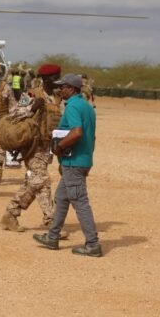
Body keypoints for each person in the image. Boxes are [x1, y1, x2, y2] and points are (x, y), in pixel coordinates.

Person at [33, 73, 102, 257]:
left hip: (73, 162)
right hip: (82, 160)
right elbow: (91, 137)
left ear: (71, 89)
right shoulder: (87, 107)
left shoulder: (72, 107)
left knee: (80, 202)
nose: (59, 89)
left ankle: (93, 244)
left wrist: (59, 147)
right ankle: (52, 236)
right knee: (62, 197)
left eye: (62, 87)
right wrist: (88, 160)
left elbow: (77, 132)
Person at [0, 64, 66, 235]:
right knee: (41, 180)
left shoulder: (59, 99)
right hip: (32, 146)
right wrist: (32, 108)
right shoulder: (30, 94)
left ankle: (10, 214)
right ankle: (51, 221)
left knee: (34, 183)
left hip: (48, 147)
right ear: (45, 79)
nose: (58, 81)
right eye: (54, 78)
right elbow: (14, 113)